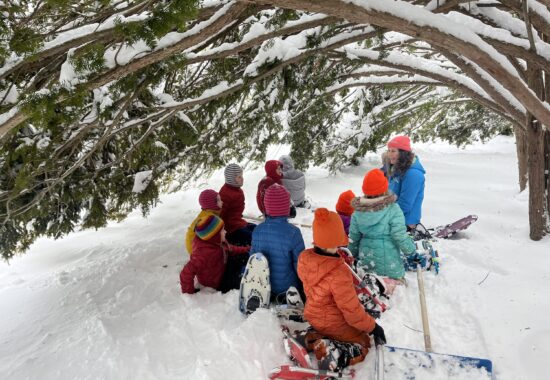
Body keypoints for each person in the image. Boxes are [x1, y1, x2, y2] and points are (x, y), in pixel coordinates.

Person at [297, 208, 386, 371]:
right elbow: (352, 313)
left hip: (314, 316)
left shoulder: (305, 259)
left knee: (328, 328)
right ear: (336, 240)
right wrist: (373, 327)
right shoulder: (339, 273)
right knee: (363, 342)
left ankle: (310, 337)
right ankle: (332, 352)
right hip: (334, 323)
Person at [348, 169, 416, 279]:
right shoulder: (393, 209)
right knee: (398, 289)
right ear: (385, 188)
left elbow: (353, 238)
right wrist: (410, 250)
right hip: (389, 265)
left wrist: (351, 256)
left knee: (371, 284)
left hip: (366, 261)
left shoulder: (358, 212)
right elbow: (399, 235)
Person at [250, 184, 305, 301]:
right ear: (286, 206)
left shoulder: (257, 230)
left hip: (264, 287)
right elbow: (300, 265)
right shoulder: (293, 233)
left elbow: (253, 260)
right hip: (287, 290)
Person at [180, 215, 249, 294]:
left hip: (222, 267)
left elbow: (229, 249)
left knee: (243, 257)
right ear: (214, 236)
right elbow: (186, 273)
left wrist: (246, 249)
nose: (225, 231)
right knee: (240, 280)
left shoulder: (217, 241)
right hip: (217, 282)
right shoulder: (202, 253)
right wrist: (189, 293)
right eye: (222, 230)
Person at [382, 135, 426, 229]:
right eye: (389, 150)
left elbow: (405, 204)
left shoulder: (413, 174)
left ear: (403, 153)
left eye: (393, 151)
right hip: (393, 217)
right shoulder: (396, 167)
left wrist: (383, 218)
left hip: (405, 223)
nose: (389, 154)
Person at [219, 163, 256, 246]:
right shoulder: (225, 194)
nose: (242, 179)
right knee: (252, 238)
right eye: (239, 177)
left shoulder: (237, 190)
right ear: (231, 179)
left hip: (238, 222)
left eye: (242, 176)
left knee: (258, 230)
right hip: (231, 229)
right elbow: (220, 215)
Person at [185, 189, 222, 255]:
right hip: (197, 251)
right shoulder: (210, 218)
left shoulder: (208, 212)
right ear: (212, 204)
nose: (222, 202)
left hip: (196, 247)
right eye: (219, 200)